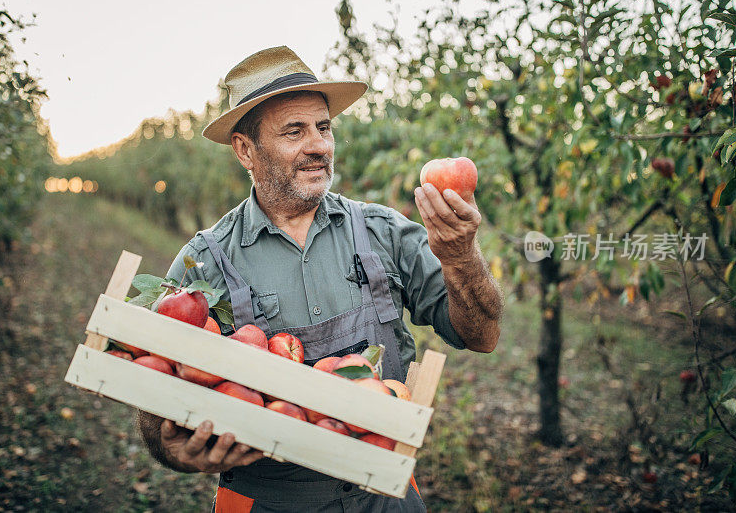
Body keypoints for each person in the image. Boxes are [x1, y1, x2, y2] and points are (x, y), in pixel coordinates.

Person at [137, 45, 503, 512]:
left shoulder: (383, 232)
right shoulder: (202, 265)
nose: (319, 145)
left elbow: (482, 335)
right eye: (295, 131)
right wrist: (175, 450)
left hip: (384, 491)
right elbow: (154, 404)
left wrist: (462, 258)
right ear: (246, 150)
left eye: (324, 127)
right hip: (268, 500)